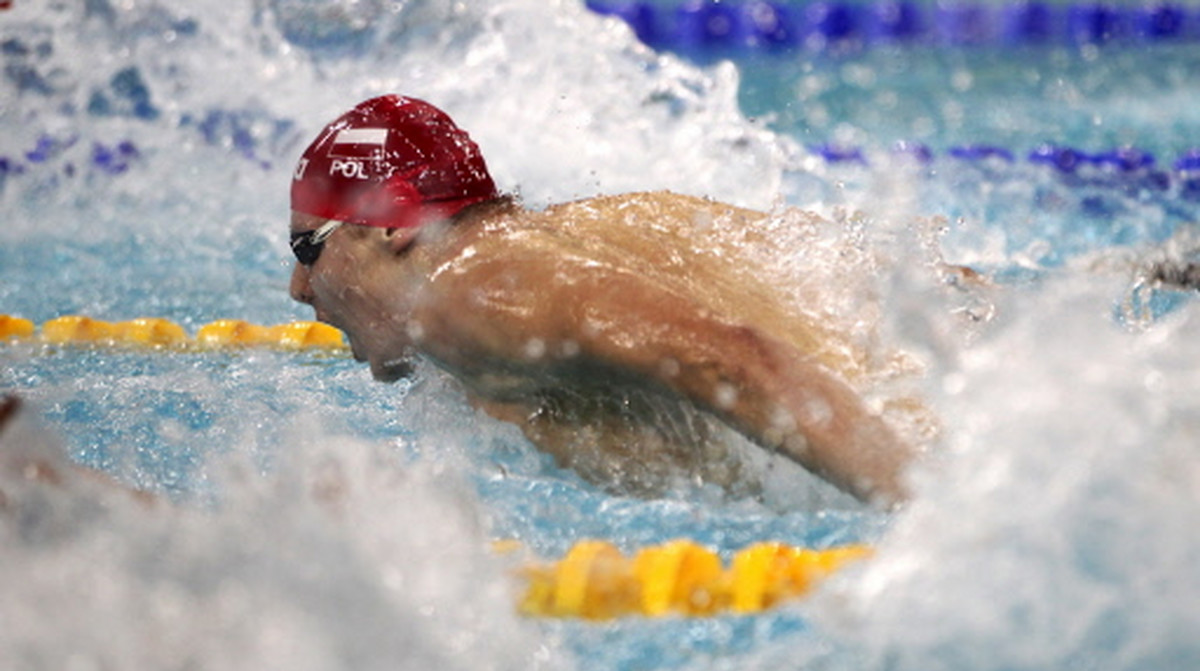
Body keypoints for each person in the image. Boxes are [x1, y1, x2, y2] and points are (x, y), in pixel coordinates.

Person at [288, 95, 921, 506]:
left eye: (308, 250)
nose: (299, 288)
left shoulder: (466, 297)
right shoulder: (601, 226)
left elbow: (728, 359)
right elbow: (868, 273)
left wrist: (928, 509)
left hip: (917, 456)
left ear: (391, 227)